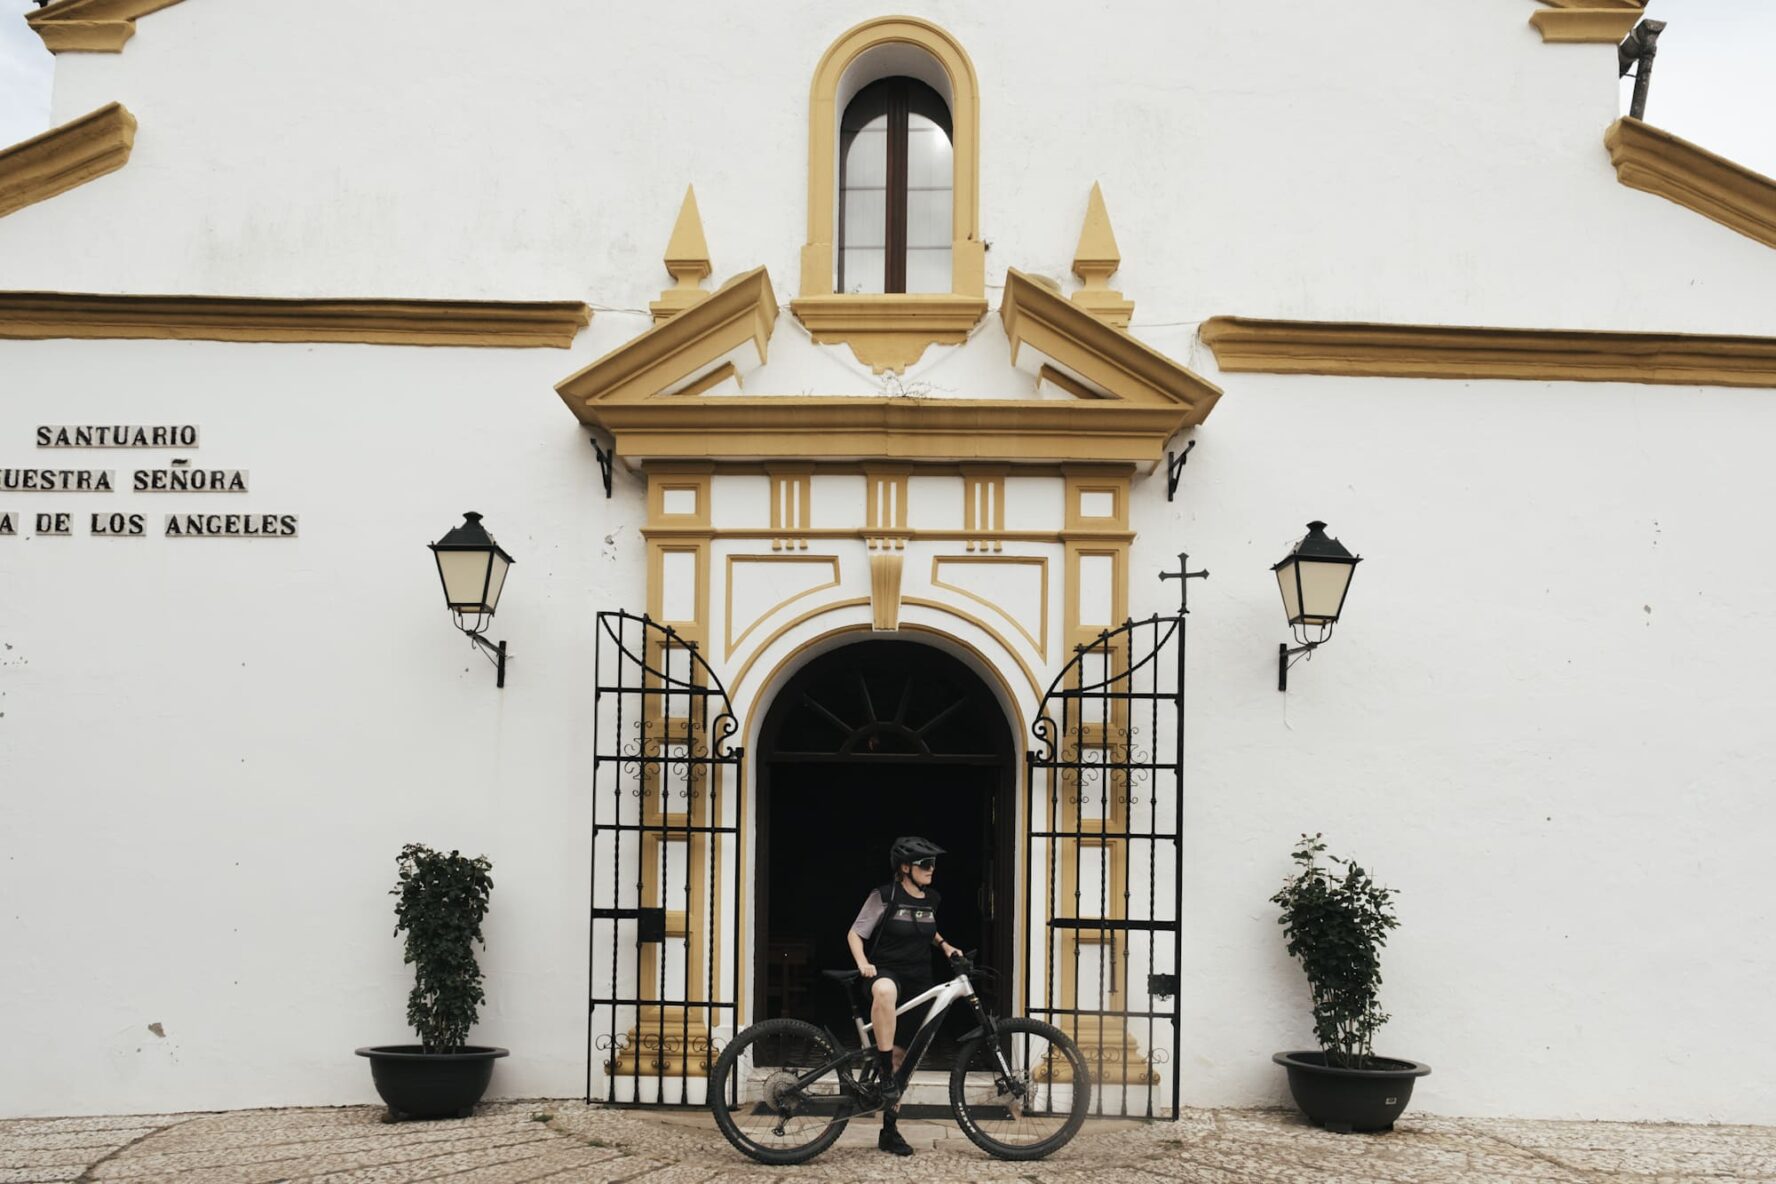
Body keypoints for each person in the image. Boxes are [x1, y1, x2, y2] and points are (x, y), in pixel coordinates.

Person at [847, 835, 961, 1157]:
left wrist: (945, 945)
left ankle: (889, 1129)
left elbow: (926, 927)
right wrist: (863, 963)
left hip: (919, 979)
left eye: (933, 864)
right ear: (905, 867)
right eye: (926, 864)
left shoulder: (932, 899)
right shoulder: (885, 895)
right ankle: (884, 1071)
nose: (932, 869)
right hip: (885, 972)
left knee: (905, 1060)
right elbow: (855, 933)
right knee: (885, 991)